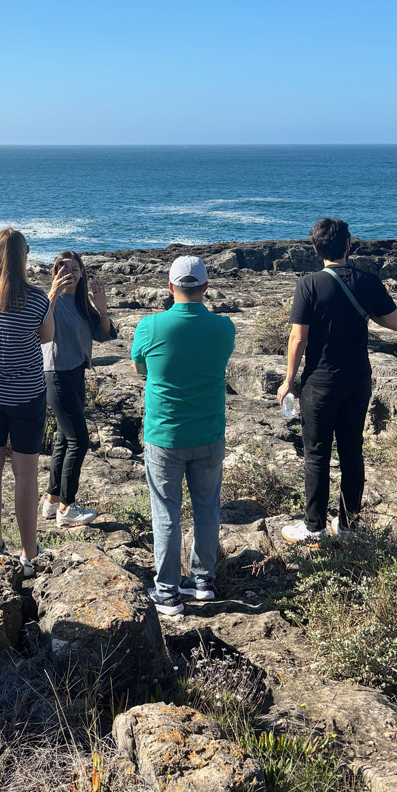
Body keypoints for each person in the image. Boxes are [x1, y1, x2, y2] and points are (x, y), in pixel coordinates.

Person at [276, 217, 397, 543]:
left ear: (316, 249)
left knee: (316, 454)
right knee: (352, 452)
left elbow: (297, 339)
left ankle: (314, 526)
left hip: (319, 384)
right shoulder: (369, 281)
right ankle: (347, 525)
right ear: (348, 244)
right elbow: (394, 323)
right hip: (358, 381)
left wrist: (289, 380)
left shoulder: (309, 284)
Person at [131, 256, 236, 617]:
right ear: (206, 288)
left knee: (166, 513)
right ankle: (202, 582)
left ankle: (168, 592)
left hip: (165, 433)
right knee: (207, 508)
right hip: (209, 432)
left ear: (170, 287)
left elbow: (139, 366)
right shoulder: (224, 328)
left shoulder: (150, 326)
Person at [0, 228, 55, 576]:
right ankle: (29, 552)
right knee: (25, 474)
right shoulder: (36, 300)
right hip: (26, 395)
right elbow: (46, 338)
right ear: (22, 257)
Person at [41, 251, 117, 527]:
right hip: (56, 374)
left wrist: (103, 309)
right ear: (55, 272)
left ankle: (51, 501)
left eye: (75, 268)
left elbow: (104, 333)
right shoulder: (51, 300)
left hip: (76, 374)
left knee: (64, 438)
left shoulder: (81, 302)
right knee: (79, 441)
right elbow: (39, 326)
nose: (70, 273)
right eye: (63, 268)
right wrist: (51, 294)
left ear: (82, 272)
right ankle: (67, 508)